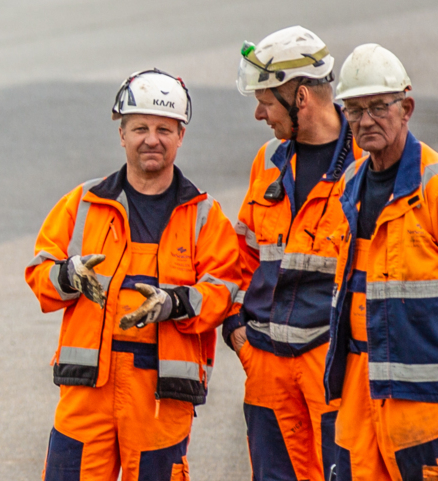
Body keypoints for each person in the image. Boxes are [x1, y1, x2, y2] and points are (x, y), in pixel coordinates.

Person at [23, 69, 247, 481]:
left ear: (180, 136)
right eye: (140, 127)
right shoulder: (84, 204)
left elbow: (223, 290)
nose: (152, 139)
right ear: (121, 134)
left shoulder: (203, 216)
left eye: (164, 129)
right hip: (87, 393)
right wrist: (69, 276)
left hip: (160, 397)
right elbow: (40, 276)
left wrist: (174, 303)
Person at [324, 43, 438, 481]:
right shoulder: (351, 182)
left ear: (406, 108)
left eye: (378, 107)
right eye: (354, 110)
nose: (366, 121)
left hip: (422, 397)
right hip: (359, 388)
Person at [225, 25, 361, 481]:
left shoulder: (367, 164)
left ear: (300, 97)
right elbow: (242, 255)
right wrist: (234, 328)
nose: (259, 114)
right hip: (267, 372)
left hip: (333, 371)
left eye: (265, 100)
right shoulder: (267, 161)